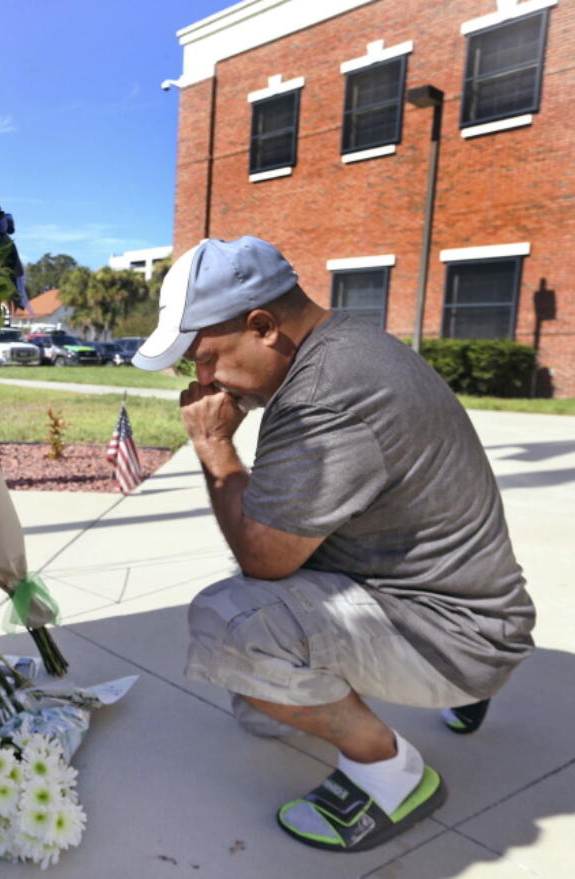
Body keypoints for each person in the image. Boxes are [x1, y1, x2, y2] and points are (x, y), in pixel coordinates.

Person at [133, 236, 534, 852]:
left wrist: (214, 446)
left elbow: (264, 559)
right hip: (471, 606)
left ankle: (390, 772)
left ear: (262, 326)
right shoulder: (348, 347)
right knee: (254, 694)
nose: (202, 379)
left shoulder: (323, 395)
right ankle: (462, 689)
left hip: (461, 636)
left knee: (231, 624)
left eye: (206, 357)